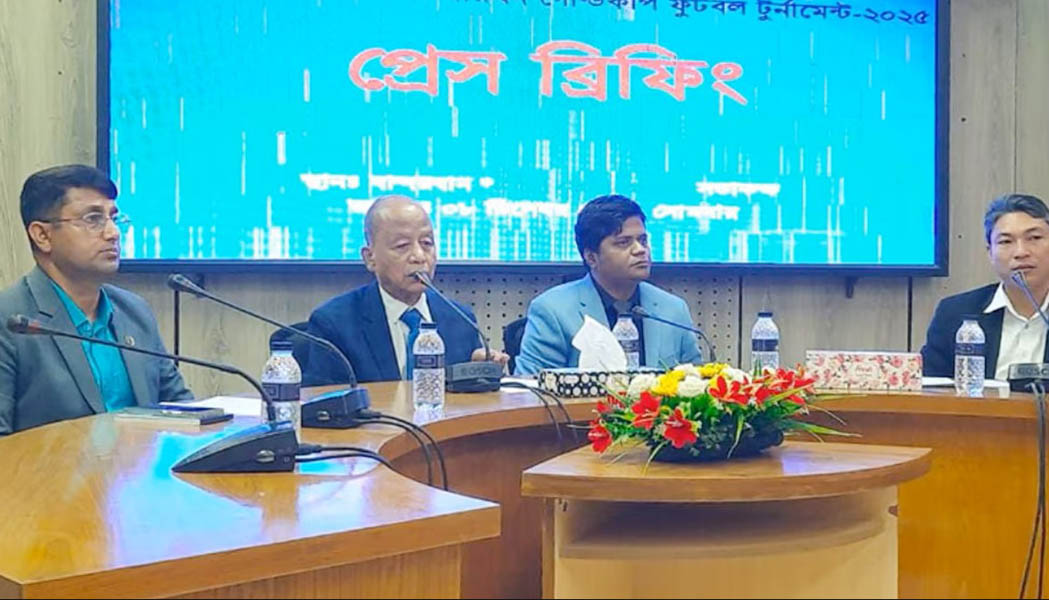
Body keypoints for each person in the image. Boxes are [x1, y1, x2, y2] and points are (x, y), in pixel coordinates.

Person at [0, 164, 193, 435]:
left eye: (114, 217)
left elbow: (183, 412)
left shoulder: (134, 312)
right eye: (93, 219)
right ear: (42, 236)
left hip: (143, 463)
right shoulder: (12, 321)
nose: (113, 233)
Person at [302, 195, 508, 385]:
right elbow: (326, 404)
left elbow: (467, 403)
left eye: (427, 243)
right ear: (370, 258)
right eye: (402, 246)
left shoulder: (460, 319)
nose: (419, 256)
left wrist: (479, 374)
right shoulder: (335, 323)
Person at [515, 194, 703, 374]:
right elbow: (531, 388)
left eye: (643, 240)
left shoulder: (673, 309)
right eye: (624, 242)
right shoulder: (553, 310)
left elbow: (696, 383)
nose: (640, 250)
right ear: (591, 257)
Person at [922, 194, 1049, 379]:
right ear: (990, 253)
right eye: (1006, 241)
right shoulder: (955, 313)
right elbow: (929, 387)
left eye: (1034, 238)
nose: (1021, 252)